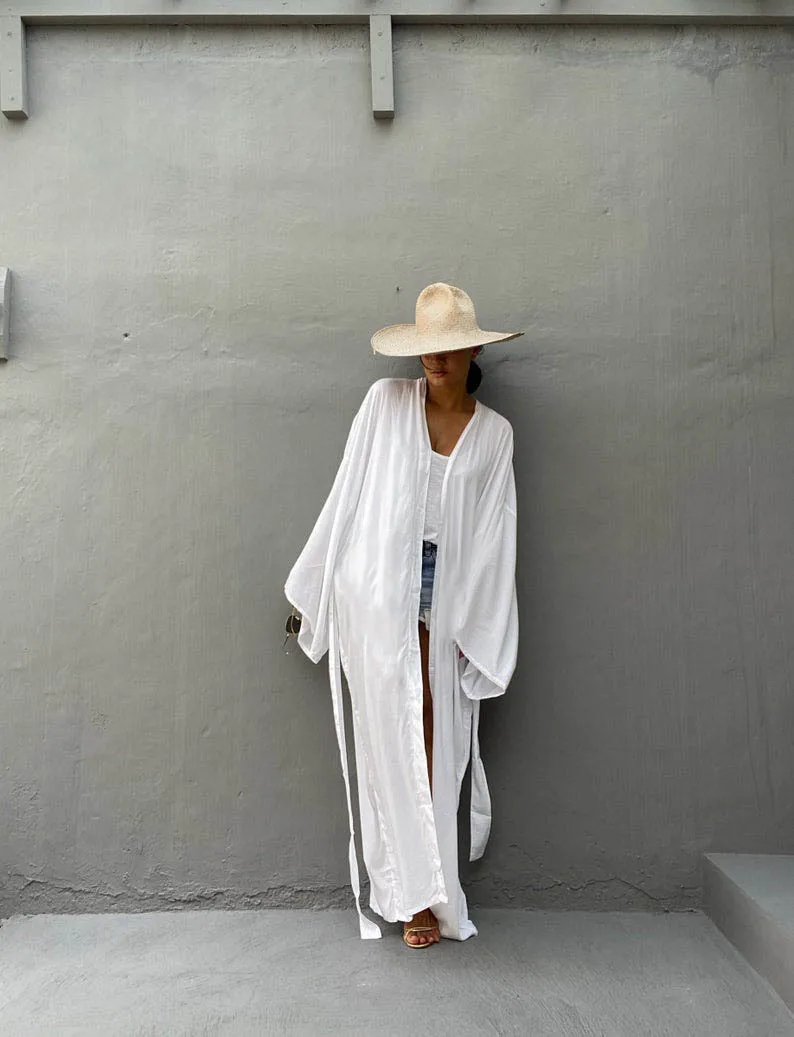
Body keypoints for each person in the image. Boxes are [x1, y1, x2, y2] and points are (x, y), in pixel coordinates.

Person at [284, 282, 522, 947]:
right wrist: (316, 588)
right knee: (393, 735)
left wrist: (486, 630)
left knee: (435, 736)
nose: (435, 362)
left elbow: (497, 536)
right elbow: (347, 493)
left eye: (447, 349)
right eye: (425, 350)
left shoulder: (496, 434)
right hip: (378, 587)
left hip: (450, 594)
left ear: (472, 347)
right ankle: (410, 896)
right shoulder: (384, 403)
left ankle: (432, 886)